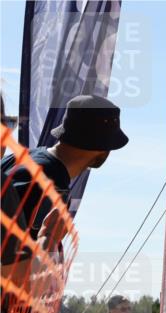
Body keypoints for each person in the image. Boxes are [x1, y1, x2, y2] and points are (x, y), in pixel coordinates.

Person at [1, 95, 128, 266]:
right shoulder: (51, 182)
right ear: (103, 150)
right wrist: (50, 239)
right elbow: (17, 267)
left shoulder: (22, 158)